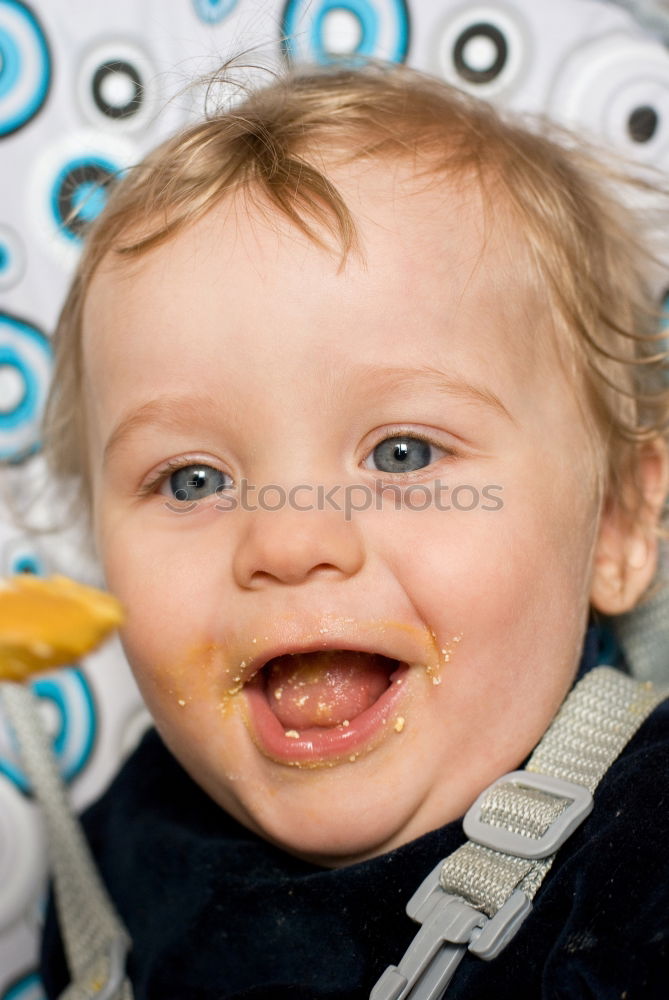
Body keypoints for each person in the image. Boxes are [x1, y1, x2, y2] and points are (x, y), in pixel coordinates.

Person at [38, 61, 669, 998]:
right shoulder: (112, 866)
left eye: (403, 454)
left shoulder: (642, 858)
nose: (289, 545)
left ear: (614, 520)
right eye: (193, 478)